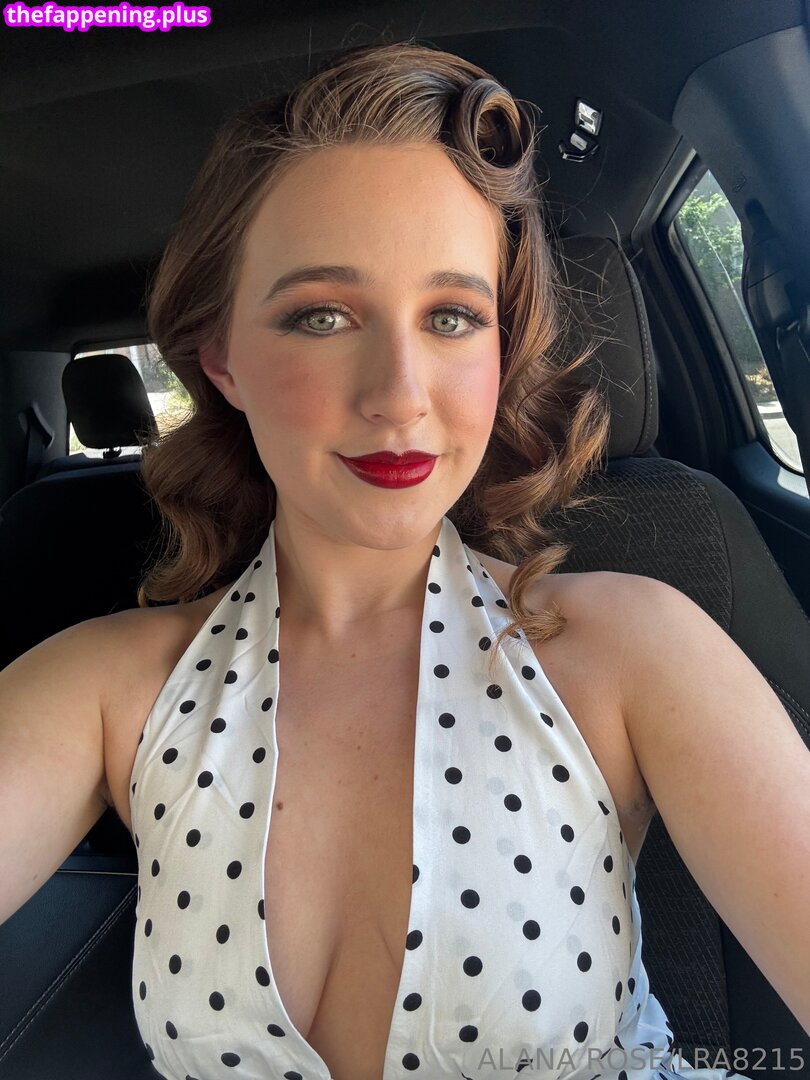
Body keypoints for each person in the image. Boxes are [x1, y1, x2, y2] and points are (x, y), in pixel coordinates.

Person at [1, 38, 807, 1080]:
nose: (399, 394)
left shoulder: (636, 648)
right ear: (224, 360)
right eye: (322, 316)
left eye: (453, 317)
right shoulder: (107, 689)